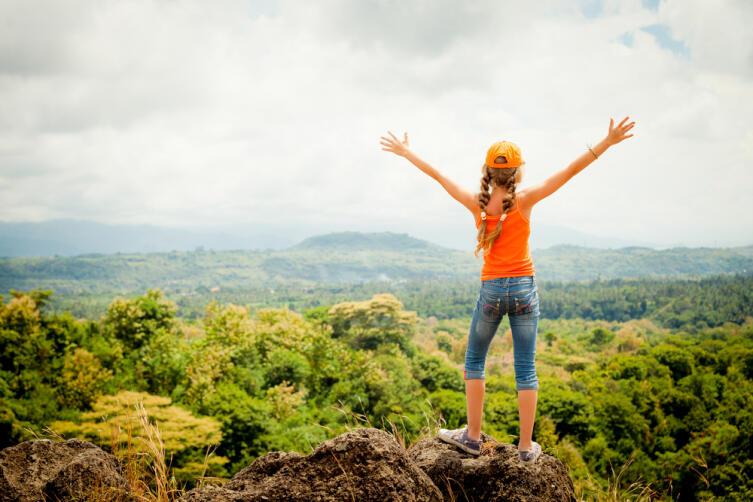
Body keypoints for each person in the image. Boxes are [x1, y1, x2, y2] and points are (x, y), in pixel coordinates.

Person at [379, 117, 635, 463]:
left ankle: (471, 437)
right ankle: (526, 449)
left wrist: (407, 152)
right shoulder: (525, 199)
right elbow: (570, 170)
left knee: (474, 361)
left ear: (488, 170)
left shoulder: (478, 203)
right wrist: (607, 142)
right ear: (518, 172)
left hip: (492, 291)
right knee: (526, 368)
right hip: (525, 290)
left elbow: (439, 176)